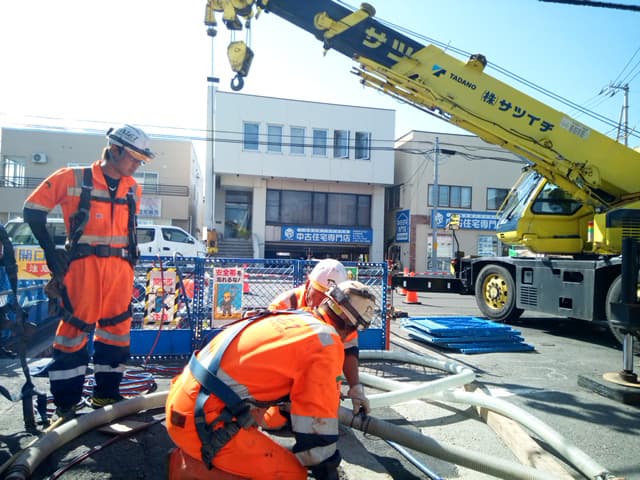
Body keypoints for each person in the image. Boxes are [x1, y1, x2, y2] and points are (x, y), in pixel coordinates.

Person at [166, 280, 377, 480]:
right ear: (352, 326)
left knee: (273, 422)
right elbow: (317, 424)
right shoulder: (326, 343)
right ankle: (187, 467)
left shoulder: (297, 318)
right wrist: (327, 471)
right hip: (200, 421)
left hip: (187, 399)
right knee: (291, 474)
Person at [23, 124, 154, 418]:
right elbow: (32, 210)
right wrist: (50, 251)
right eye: (134, 157)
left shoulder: (133, 188)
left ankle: (106, 396)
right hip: (83, 268)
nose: (137, 164)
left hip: (121, 269)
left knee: (117, 330)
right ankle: (67, 404)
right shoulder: (73, 178)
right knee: (74, 330)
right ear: (115, 149)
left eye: (141, 160)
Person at [268, 259, 370, 417]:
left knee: (324, 413)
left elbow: (349, 348)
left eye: (330, 299)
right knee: (275, 420)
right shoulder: (284, 305)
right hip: (280, 379)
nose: (324, 304)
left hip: (317, 376)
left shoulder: (341, 313)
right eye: (320, 295)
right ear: (308, 284)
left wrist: (355, 386)